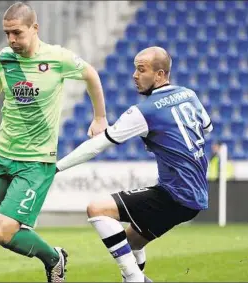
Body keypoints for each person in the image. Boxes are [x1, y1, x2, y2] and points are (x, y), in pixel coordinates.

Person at [0, 2, 108, 282]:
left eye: (17, 33)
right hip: (1, 155)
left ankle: (54, 258)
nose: (11, 40)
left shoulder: (58, 58)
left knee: (2, 232)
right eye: (7, 34)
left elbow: (91, 74)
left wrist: (99, 117)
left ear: (34, 28)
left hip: (35, 162)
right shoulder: (6, 58)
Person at [56, 46, 213, 282]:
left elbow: (97, 145)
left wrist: (55, 167)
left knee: (98, 209)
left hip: (176, 194)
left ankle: (134, 279)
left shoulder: (145, 111)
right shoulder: (189, 94)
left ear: (160, 75)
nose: (134, 75)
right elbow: (208, 128)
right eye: (134, 69)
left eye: (141, 70)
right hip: (194, 196)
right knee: (129, 244)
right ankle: (135, 276)